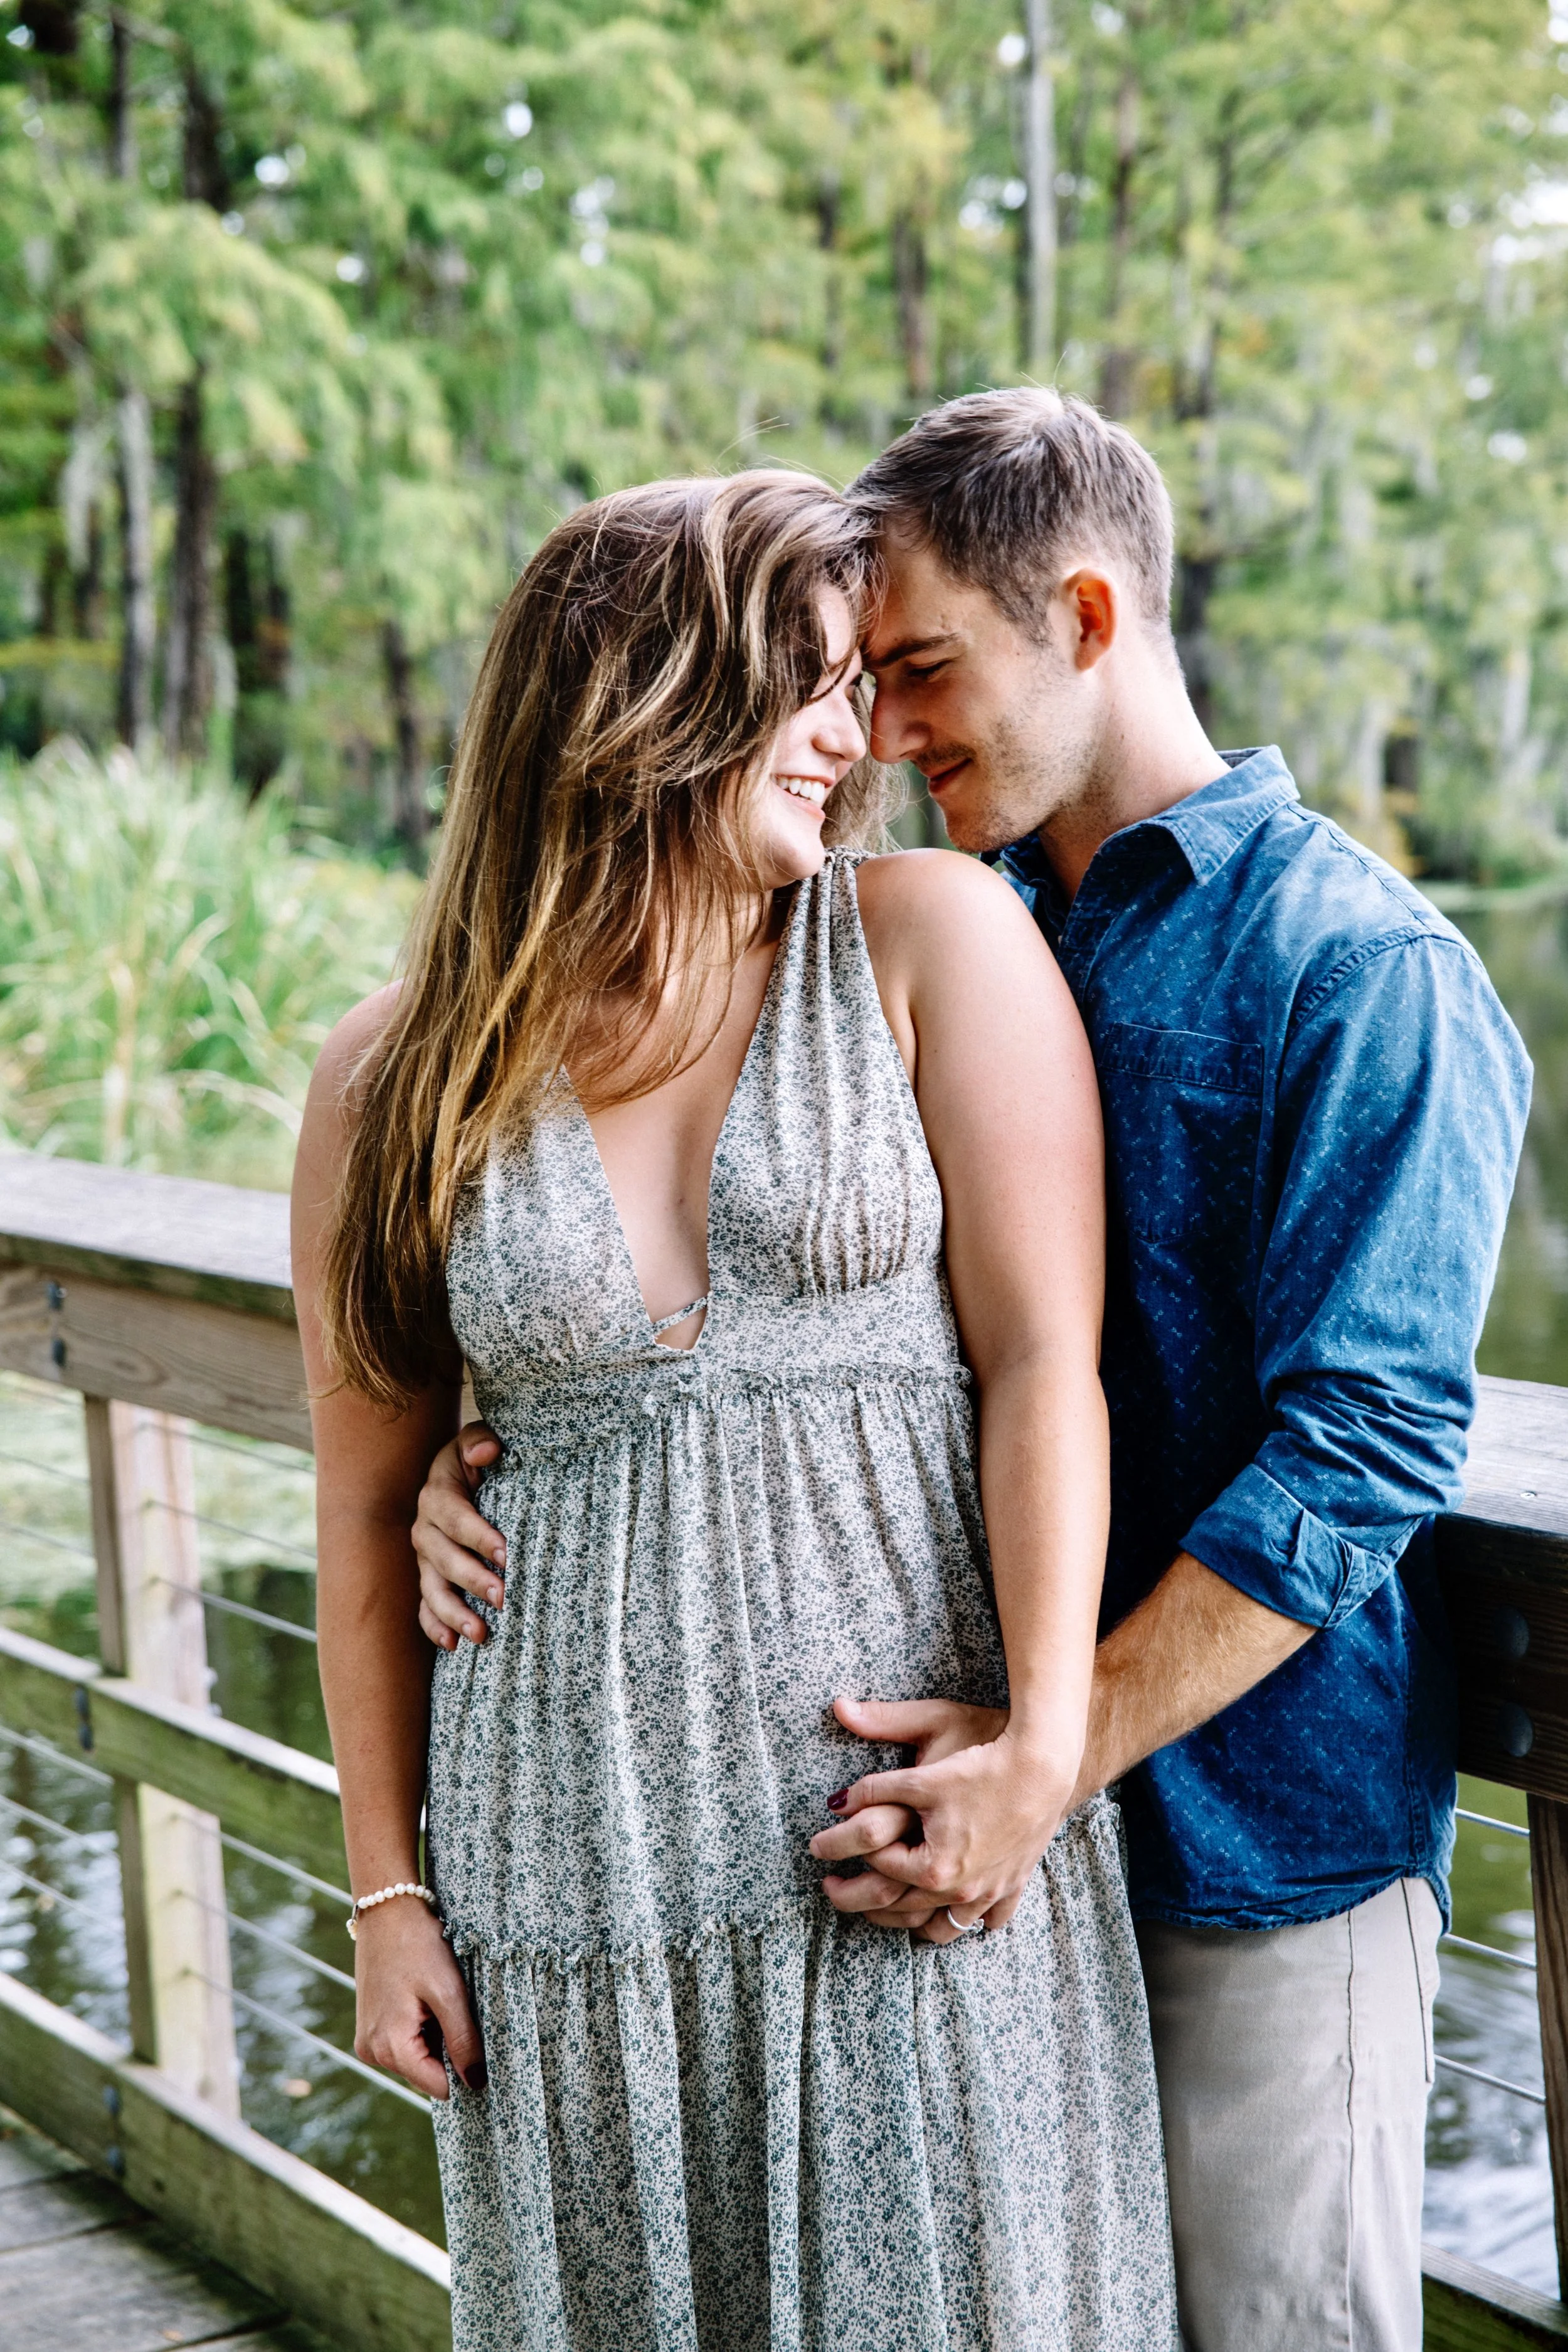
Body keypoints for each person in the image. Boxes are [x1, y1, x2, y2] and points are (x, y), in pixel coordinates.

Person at [415, 398, 1532, 2352]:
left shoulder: (1363, 969)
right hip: (957, 1843)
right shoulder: (936, 925)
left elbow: (1362, 1448)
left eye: (916, 671)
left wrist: (1052, 1751)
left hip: (1251, 1837)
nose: (884, 733)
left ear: (1086, 615)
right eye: (855, 682)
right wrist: (492, 1463)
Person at [292, 469, 1180, 2351]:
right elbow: (369, 1505)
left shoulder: (928, 937)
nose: (855, 733)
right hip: (567, 1883)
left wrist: (1037, 1743)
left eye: (865, 682)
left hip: (899, 1857)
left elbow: (1043, 1365)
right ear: (645, 693)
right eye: (808, 683)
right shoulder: (392, 1077)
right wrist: (387, 1893)